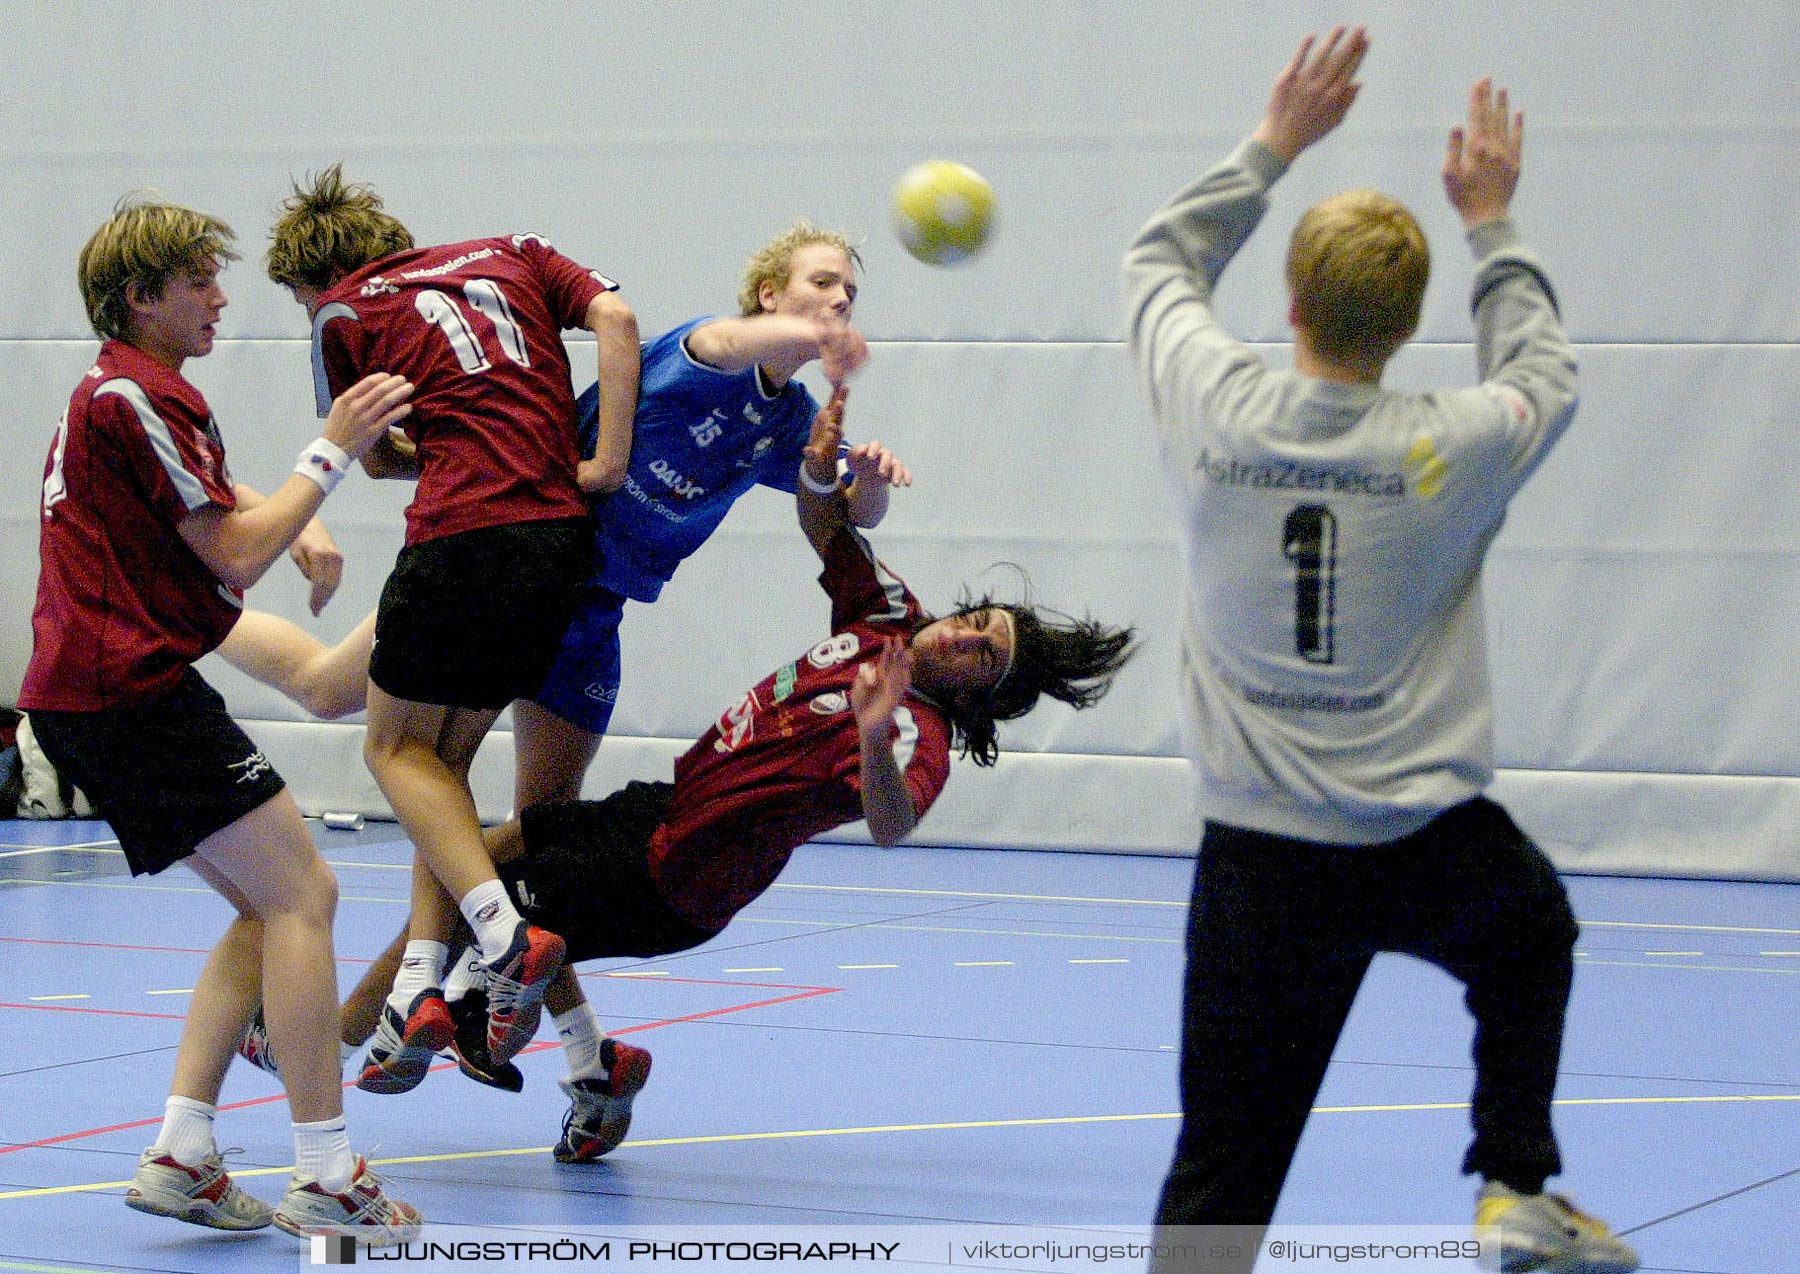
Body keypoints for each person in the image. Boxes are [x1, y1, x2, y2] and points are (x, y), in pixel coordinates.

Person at [243, 386, 1136, 1164]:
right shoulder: (892, 616)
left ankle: (348, 1030)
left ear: (984, 696)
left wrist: (870, 737)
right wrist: (825, 471)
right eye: (981, 618)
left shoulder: (919, 731)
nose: (968, 635)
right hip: (669, 808)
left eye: (986, 656)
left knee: (483, 877)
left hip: (682, 873)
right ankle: (593, 1067)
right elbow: (825, 525)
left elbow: (896, 824)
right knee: (500, 876)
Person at [1121, 29, 1638, 1274]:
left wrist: (1276, 142)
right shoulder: (1453, 444)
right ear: (1410, 325)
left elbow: (1160, 259)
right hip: (1422, 841)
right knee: (1531, 936)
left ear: (1290, 304)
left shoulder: (1213, 403)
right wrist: (1493, 223)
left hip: (1259, 858)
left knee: (1223, 1170)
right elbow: (1545, 369)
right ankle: (1513, 1181)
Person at [17, 196, 421, 1243]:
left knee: (264, 905)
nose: (219, 296)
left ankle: (184, 1152)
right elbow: (233, 551)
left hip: (100, 692)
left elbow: (211, 500)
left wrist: (305, 520)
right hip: (130, 693)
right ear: (140, 297)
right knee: (305, 893)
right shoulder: (140, 394)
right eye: (197, 279)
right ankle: (327, 1170)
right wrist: (328, 453)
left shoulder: (121, 391)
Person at [266, 165, 641, 1077]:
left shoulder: (343, 312)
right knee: (445, 771)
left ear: (315, 280)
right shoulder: (515, 252)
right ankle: (418, 989)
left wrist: (411, 452)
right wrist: (606, 461)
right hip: (559, 544)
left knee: (391, 752)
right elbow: (620, 322)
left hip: (461, 539)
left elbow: (369, 446)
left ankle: (503, 937)